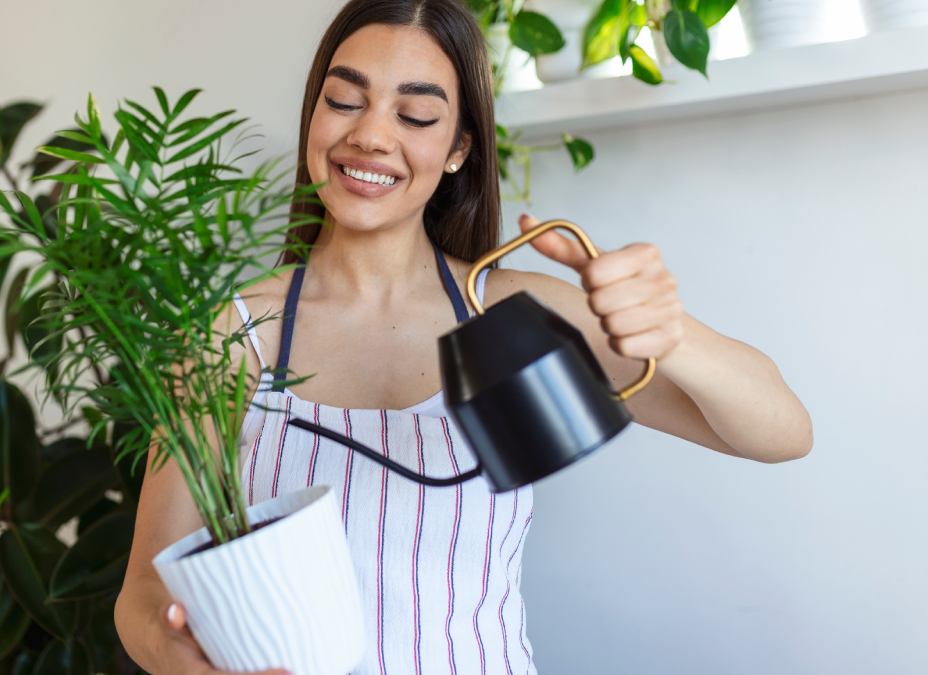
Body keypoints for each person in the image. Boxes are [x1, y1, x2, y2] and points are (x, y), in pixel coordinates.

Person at [115, 0, 813, 673]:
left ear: (458, 149)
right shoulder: (232, 333)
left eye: (415, 113)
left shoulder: (515, 317)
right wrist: (188, 667)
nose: (371, 136)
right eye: (343, 100)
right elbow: (145, 594)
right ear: (313, 117)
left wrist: (671, 331)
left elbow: (782, 433)